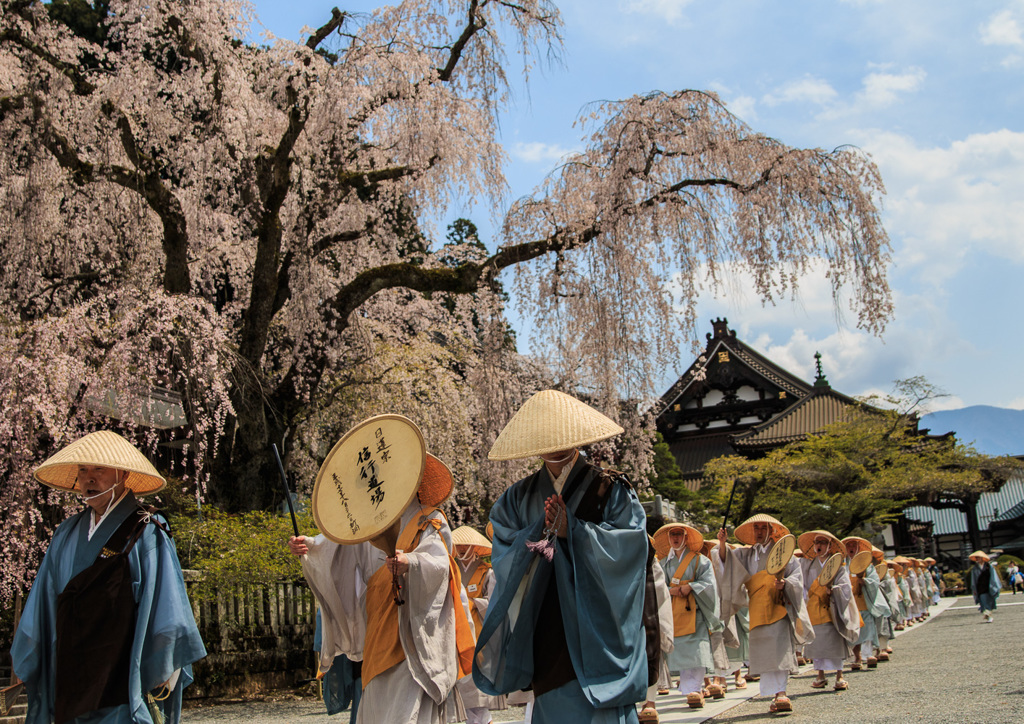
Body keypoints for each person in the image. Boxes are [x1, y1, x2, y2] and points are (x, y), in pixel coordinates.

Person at [473, 390, 648, 724]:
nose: (553, 442)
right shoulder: (517, 497)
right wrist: (539, 531)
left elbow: (631, 546)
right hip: (545, 618)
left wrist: (575, 531)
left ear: (575, 433)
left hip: (597, 621)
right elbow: (505, 547)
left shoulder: (609, 488)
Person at [12, 430, 206, 724]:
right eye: (83, 470)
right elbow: (43, 602)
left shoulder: (147, 528)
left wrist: (166, 663)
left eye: (98, 469)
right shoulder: (65, 533)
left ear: (123, 474)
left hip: (120, 668)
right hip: (70, 668)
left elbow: (165, 599)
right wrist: (31, 653)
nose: (88, 478)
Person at [290, 450, 469, 723]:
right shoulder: (370, 522)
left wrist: (410, 562)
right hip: (379, 628)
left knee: (407, 710)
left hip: (415, 633)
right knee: (378, 703)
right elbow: (340, 549)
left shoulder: (430, 519)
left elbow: (440, 564)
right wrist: (311, 546)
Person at [717, 515, 814, 715]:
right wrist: (722, 543)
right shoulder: (745, 554)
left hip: (778, 605)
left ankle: (781, 693)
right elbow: (727, 563)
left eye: (763, 528)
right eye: (756, 528)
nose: (759, 531)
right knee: (764, 652)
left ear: (771, 530)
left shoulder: (782, 552)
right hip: (757, 608)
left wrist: (785, 584)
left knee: (780, 648)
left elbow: (796, 576)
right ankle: (774, 695)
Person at [653, 524, 722, 709]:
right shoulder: (663, 563)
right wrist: (672, 590)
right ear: (668, 538)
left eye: (679, 534)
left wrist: (691, 586)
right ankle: (691, 690)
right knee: (682, 652)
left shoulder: (700, 560)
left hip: (695, 612)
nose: (675, 538)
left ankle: (696, 690)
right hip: (674, 612)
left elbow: (709, 583)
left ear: (686, 537)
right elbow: (657, 587)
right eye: (672, 535)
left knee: (697, 651)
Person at [451, 526, 506, 724]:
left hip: (480, 635)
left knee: (477, 696)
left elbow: (494, 604)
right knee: (465, 696)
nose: (462, 548)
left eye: (466, 545)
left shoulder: (487, 572)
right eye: (458, 545)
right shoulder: (452, 569)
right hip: (458, 634)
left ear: (474, 547)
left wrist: (474, 604)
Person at [797, 531, 858, 692]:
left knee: (835, 641)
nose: (819, 545)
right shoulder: (807, 564)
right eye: (817, 542)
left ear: (830, 546)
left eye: (823, 542)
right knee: (817, 643)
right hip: (814, 606)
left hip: (832, 606)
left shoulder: (837, 565)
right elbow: (801, 584)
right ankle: (820, 674)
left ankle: (839, 675)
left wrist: (834, 590)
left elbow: (845, 586)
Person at [842, 537, 890, 671]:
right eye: (848, 545)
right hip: (850, 602)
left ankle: (868, 655)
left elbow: (874, 581)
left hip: (864, 601)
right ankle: (857, 657)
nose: (851, 548)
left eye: (853, 545)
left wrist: (865, 581)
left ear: (858, 548)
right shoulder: (842, 565)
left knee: (868, 627)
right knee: (853, 629)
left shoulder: (867, 565)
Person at [968, 551, 1002, 623]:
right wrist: (974, 588)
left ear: (982, 558)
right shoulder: (974, 568)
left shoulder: (989, 567)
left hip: (989, 586)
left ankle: (988, 615)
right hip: (981, 588)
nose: (977, 559)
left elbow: (994, 577)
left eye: (979, 558)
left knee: (990, 601)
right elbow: (973, 580)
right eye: (976, 558)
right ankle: (988, 615)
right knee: (983, 601)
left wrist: (994, 586)